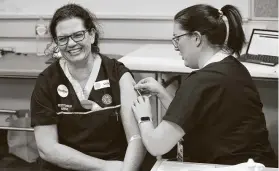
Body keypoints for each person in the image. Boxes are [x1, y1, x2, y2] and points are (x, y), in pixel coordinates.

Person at [132, 4, 278, 168]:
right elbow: (189, 114)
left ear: (196, 38)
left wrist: (144, 116)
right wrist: (161, 92)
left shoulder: (201, 81)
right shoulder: (233, 67)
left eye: (177, 39)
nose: (176, 47)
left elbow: (157, 145)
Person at [30, 3, 145, 171]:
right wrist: (104, 167)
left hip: (119, 165)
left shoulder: (118, 75)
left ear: (91, 35)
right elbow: (47, 149)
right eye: (63, 38)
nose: (71, 44)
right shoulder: (47, 82)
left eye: (78, 35)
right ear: (56, 43)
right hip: (68, 166)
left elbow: (136, 138)